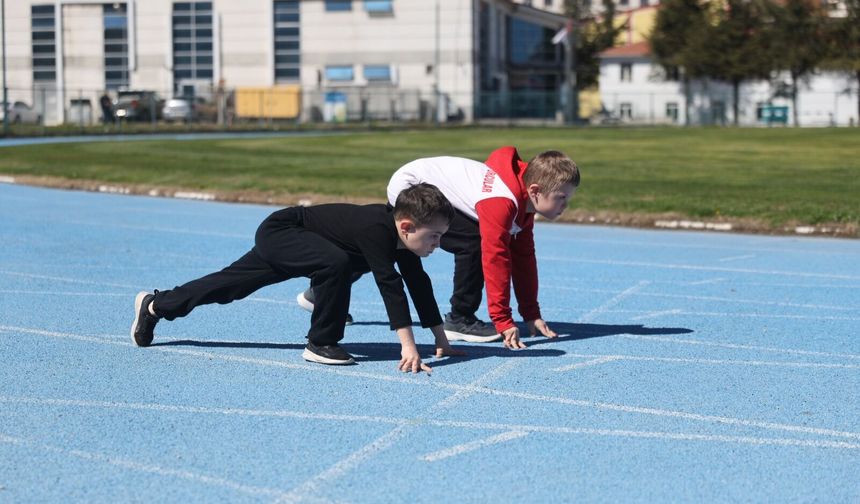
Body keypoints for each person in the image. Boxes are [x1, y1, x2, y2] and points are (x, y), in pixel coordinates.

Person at [130, 183, 464, 372]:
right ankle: (320, 342)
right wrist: (408, 347)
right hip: (284, 232)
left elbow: (418, 286)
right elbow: (389, 286)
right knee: (336, 263)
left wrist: (441, 340)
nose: (438, 243)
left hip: (308, 245)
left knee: (229, 286)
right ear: (406, 226)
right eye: (434, 236)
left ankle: (156, 305)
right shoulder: (377, 229)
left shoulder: (403, 241)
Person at [297, 147, 580, 350]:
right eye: (561, 198)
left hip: (429, 182)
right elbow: (496, 258)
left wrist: (531, 313)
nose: (565, 206)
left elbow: (524, 258)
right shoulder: (501, 203)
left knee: (386, 247)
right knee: (474, 243)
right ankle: (460, 319)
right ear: (534, 191)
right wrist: (503, 320)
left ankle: (321, 292)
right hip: (412, 185)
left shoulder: (523, 204)